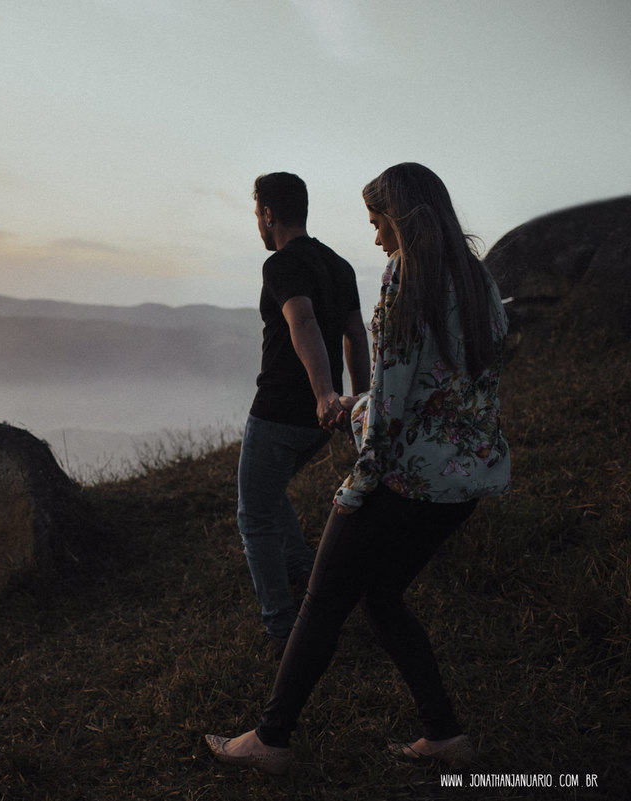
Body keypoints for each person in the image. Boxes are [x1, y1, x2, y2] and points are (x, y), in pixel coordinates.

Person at [205, 162, 512, 775]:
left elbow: (397, 399)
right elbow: (447, 389)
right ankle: (445, 736)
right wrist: (360, 400)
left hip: (405, 478)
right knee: (380, 595)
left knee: (321, 599)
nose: (374, 238)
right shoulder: (477, 281)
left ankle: (271, 739)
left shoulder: (409, 277)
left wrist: (360, 477)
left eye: (378, 222)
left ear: (401, 218)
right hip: (467, 479)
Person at [236, 172, 370, 656]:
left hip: (280, 411)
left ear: (269, 214)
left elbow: (303, 319)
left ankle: (282, 628)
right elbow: (355, 333)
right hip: (320, 422)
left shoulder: (282, 264)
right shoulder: (338, 264)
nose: (257, 222)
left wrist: (322, 393)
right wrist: (360, 400)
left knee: (254, 517)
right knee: (269, 495)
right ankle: (299, 568)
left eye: (257, 214)